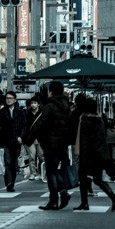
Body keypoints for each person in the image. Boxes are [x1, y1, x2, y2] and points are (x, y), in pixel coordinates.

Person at [24, 81, 73, 210]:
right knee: (57, 170)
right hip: (63, 143)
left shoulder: (49, 106)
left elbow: (40, 124)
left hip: (50, 142)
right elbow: (71, 124)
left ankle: (54, 200)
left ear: (50, 91)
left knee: (51, 171)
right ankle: (62, 192)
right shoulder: (66, 106)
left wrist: (28, 139)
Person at [72, 98, 115, 211]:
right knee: (97, 179)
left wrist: (82, 156)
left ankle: (85, 203)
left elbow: (84, 141)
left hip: (88, 155)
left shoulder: (85, 121)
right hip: (99, 154)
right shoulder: (99, 120)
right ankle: (112, 196)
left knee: (83, 178)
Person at [0, 91, 27, 192]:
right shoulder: (1, 112)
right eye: (7, 98)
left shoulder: (20, 112)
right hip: (5, 140)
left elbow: (24, 126)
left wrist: (21, 136)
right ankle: (9, 183)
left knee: (14, 163)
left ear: (15, 100)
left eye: (10, 98)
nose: (8, 100)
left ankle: (12, 181)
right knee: (8, 161)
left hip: (16, 140)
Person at [22, 93, 44, 181]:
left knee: (41, 156)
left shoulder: (42, 114)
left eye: (35, 103)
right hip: (30, 139)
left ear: (38, 104)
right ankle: (33, 173)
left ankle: (42, 173)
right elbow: (24, 127)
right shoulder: (27, 114)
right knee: (32, 157)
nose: (33, 105)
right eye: (32, 103)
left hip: (40, 138)